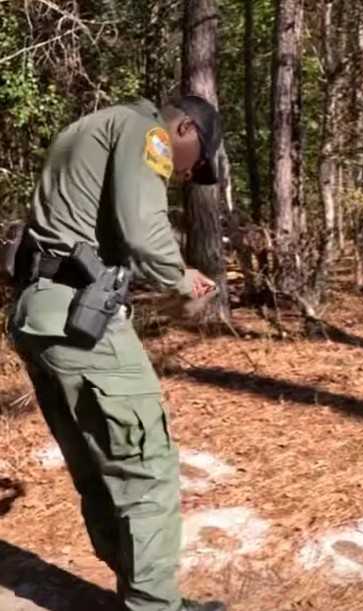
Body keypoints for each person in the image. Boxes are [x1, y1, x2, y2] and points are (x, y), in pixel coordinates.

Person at [5, 95, 227, 611]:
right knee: (146, 468)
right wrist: (181, 279)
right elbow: (144, 232)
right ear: (185, 127)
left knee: (97, 465)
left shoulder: (87, 126)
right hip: (84, 324)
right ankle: (153, 605)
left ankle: (147, 595)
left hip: (39, 316)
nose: (183, 174)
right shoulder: (146, 131)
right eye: (192, 164)